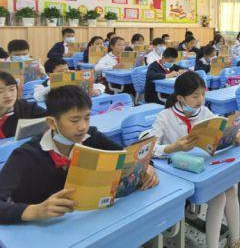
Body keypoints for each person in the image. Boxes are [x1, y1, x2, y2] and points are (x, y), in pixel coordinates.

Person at [0, 85, 159, 224]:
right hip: (42, 228)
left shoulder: (90, 137)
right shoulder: (26, 155)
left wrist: (146, 167)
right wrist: (35, 211)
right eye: (74, 120)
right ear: (52, 123)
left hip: (84, 221)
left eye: (87, 118)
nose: (83, 127)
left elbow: (126, 154)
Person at [140, 72, 240, 248]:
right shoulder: (165, 117)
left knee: (231, 188)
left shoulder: (203, 112)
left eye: (203, 94)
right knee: (219, 196)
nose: (200, 100)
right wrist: (173, 147)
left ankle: (235, 240)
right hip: (177, 173)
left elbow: (222, 126)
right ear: (180, 98)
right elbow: (148, 150)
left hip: (202, 169)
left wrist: (236, 135)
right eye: (195, 96)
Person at [33, 59, 105, 103]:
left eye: (67, 69)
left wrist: (98, 90)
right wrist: (56, 84)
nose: (66, 72)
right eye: (61, 71)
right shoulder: (43, 86)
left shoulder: (73, 80)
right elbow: (38, 97)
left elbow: (101, 86)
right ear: (49, 74)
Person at [0, 72, 46, 139]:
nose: (8, 95)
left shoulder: (26, 108)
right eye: (0, 91)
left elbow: (52, 118)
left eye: (12, 89)